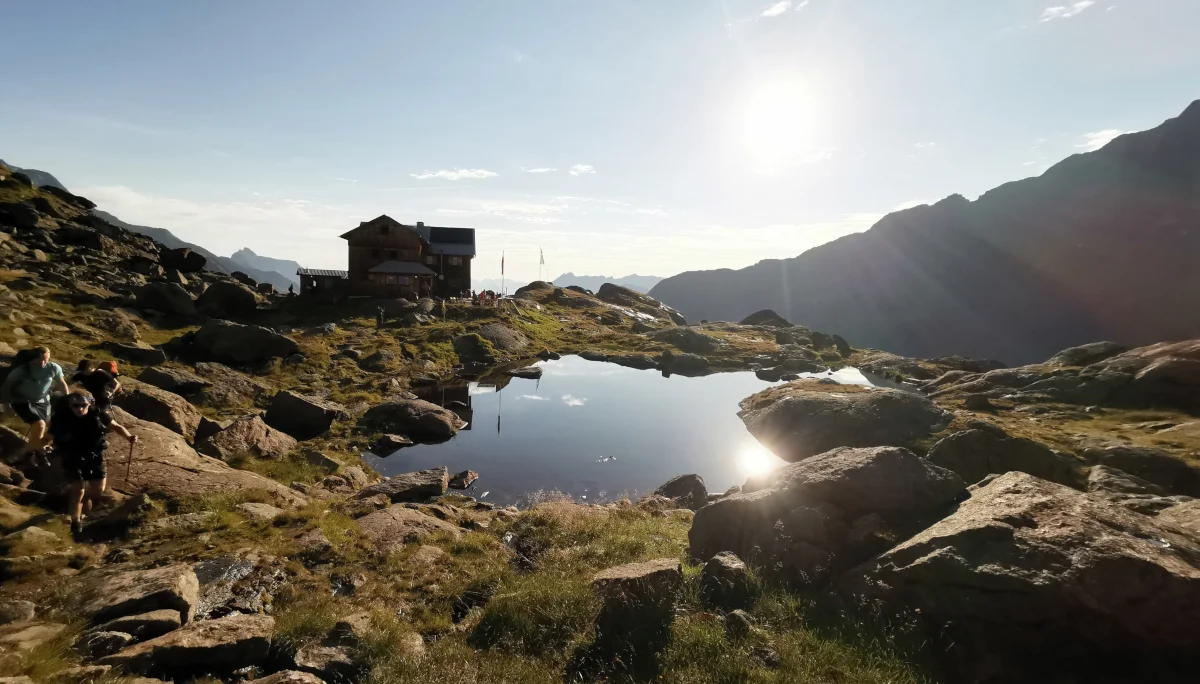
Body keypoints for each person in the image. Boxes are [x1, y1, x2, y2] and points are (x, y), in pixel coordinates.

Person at [47, 392, 137, 538]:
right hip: (72, 455)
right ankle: (75, 522)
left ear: (90, 403)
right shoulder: (61, 418)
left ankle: (82, 504)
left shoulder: (98, 413)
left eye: (83, 405)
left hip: (94, 455)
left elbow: (116, 426)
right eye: (75, 406)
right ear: (70, 406)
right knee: (78, 489)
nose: (80, 408)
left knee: (98, 488)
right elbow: (48, 436)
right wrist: (42, 446)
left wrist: (129, 436)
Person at [0, 346, 69, 460]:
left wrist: (68, 399)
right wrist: (7, 406)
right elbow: (6, 387)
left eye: (46, 359)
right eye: (41, 359)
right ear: (33, 358)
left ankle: (33, 450)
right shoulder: (21, 370)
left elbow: (61, 383)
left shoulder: (53, 368)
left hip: (43, 401)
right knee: (39, 425)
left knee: (51, 426)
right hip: (22, 401)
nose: (44, 363)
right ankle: (30, 455)